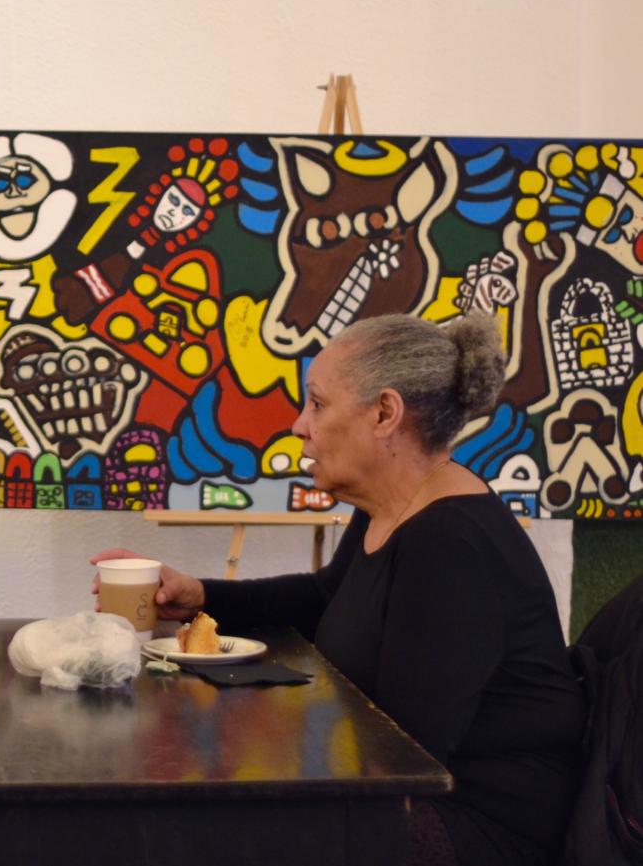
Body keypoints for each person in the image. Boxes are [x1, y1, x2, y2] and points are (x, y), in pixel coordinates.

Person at [92, 313, 584, 866]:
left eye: (318, 405)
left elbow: (401, 756)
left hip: (469, 826)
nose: (300, 425)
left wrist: (238, 738)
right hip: (399, 793)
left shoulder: (449, 545)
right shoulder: (396, 506)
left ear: (385, 413)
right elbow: (326, 597)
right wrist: (199, 597)